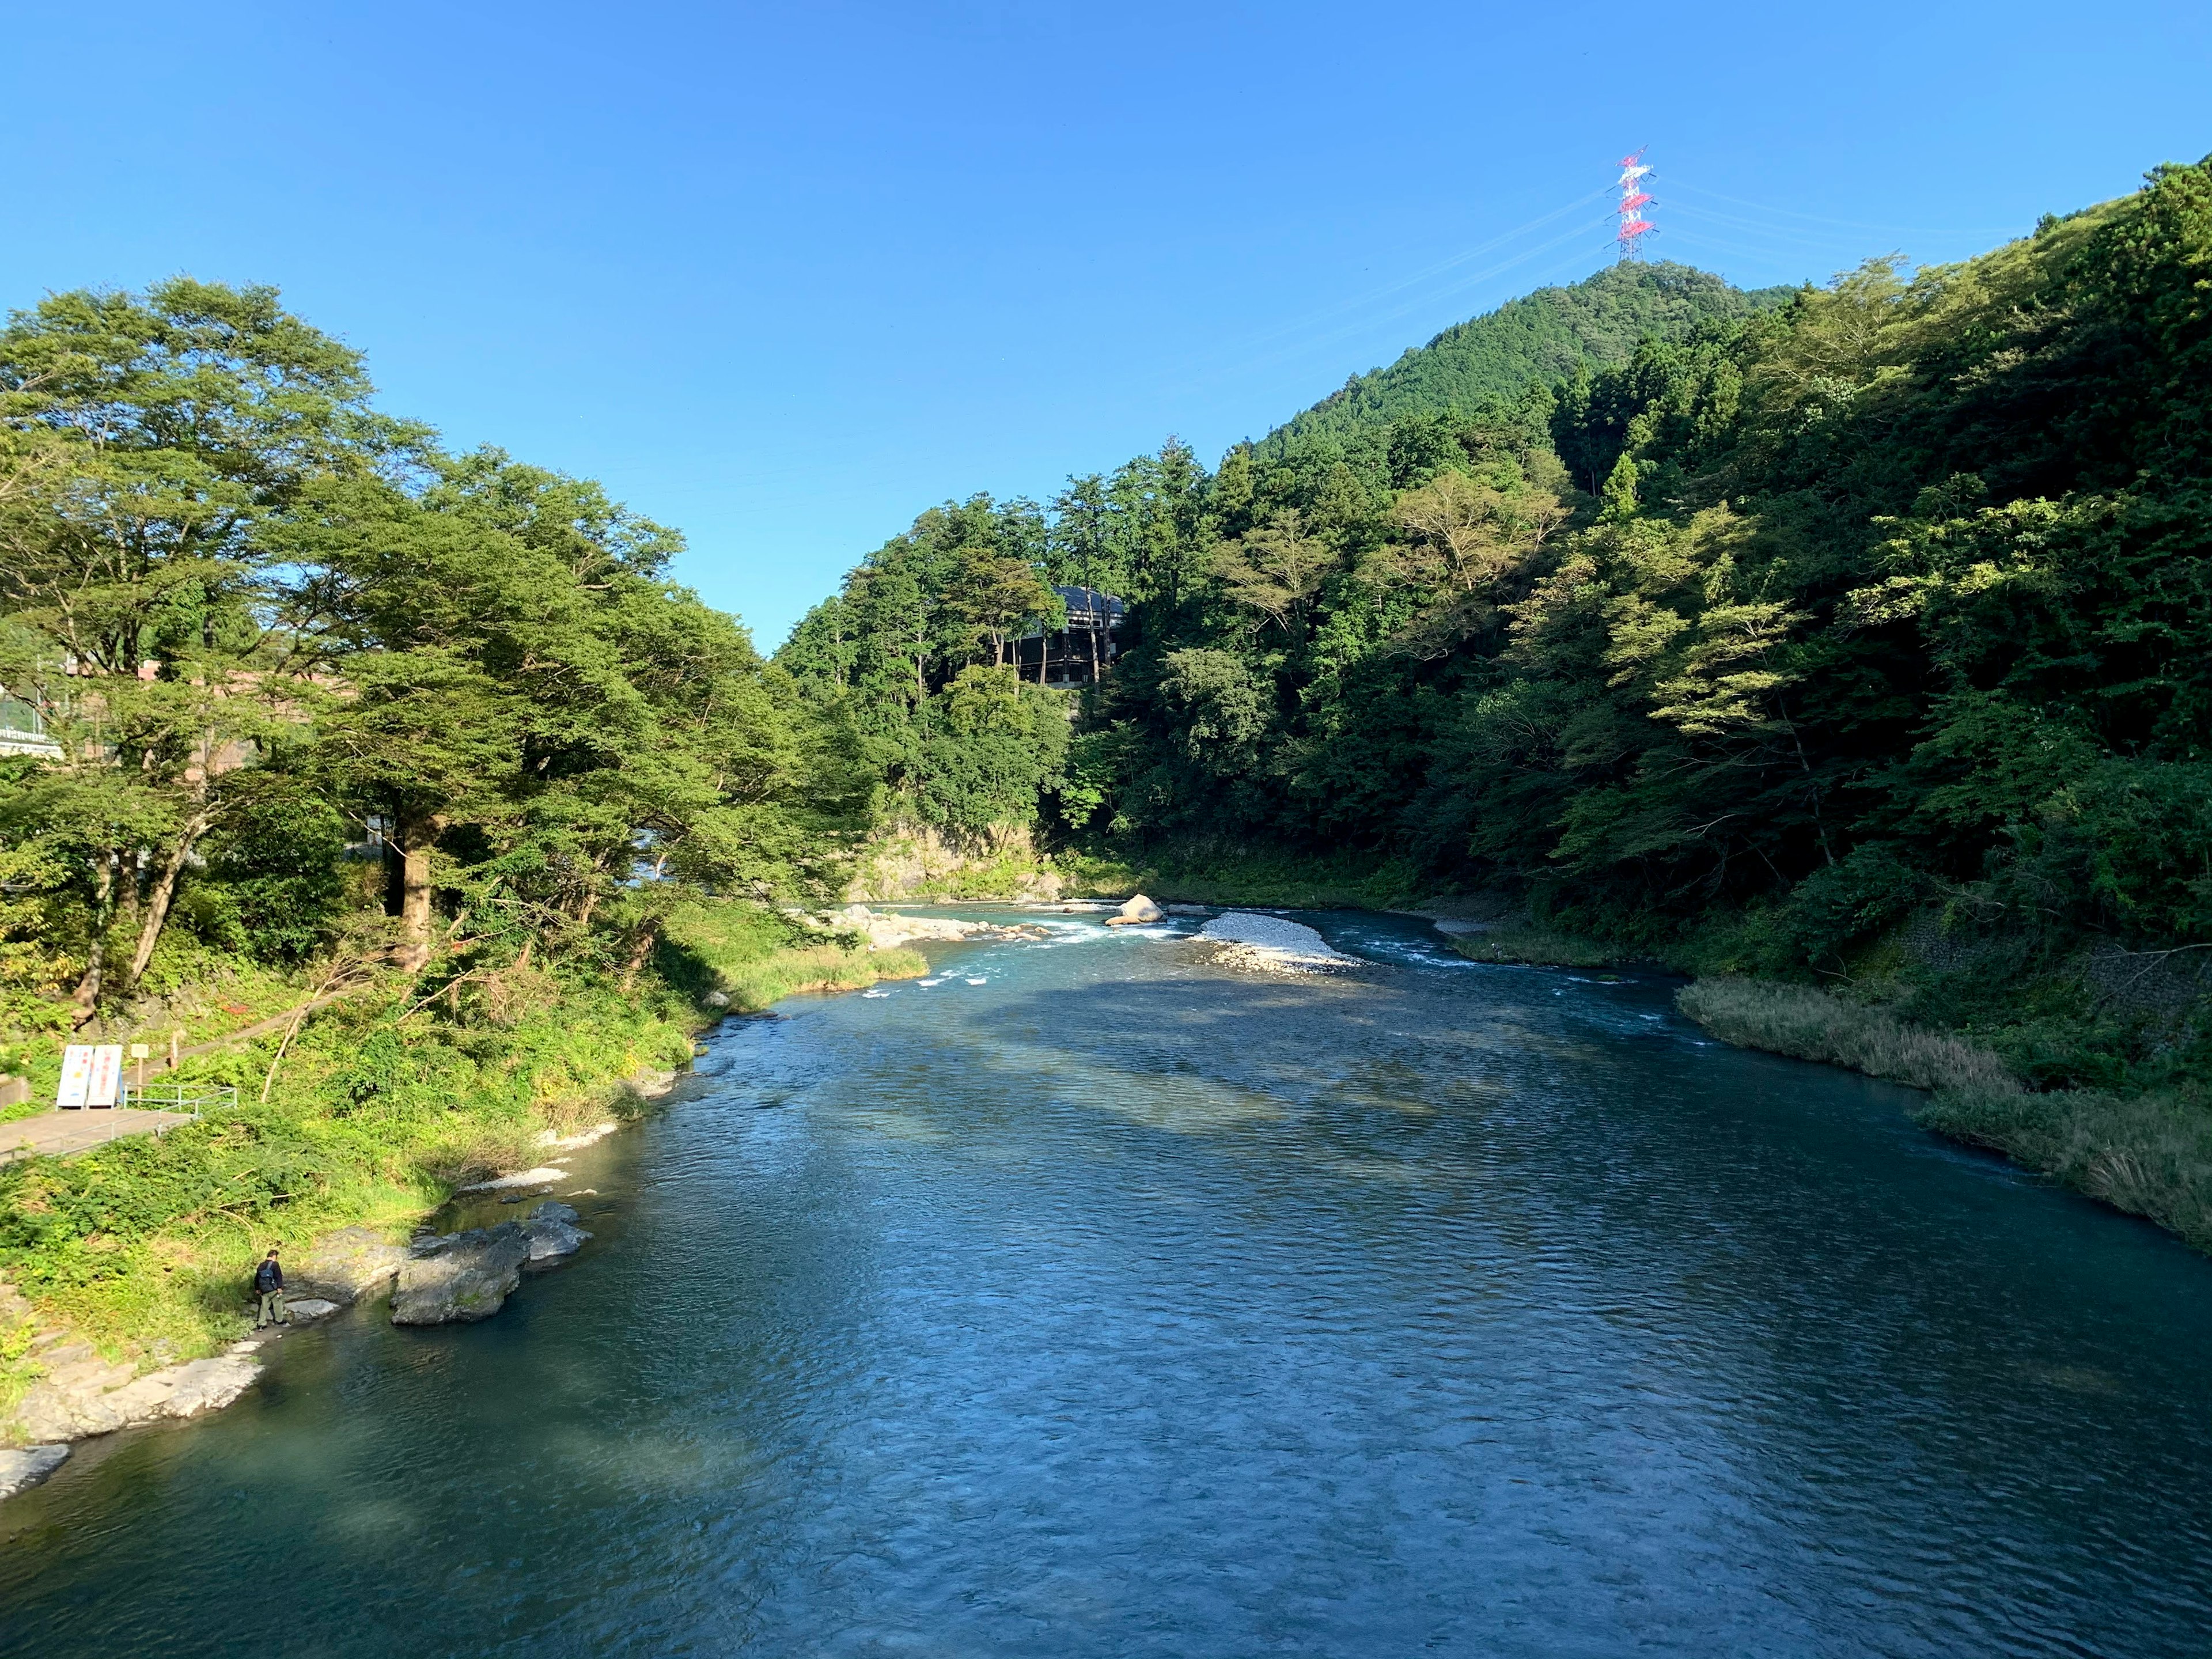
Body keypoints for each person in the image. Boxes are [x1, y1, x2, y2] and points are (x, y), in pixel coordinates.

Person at [253, 1246, 287, 1328]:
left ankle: (261, 1324)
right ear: (274, 1256)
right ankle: (279, 1320)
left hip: (264, 1289)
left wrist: (257, 1288)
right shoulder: (275, 1265)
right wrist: (279, 1287)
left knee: (264, 1307)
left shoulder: (261, 1265)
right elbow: (278, 1276)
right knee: (277, 1304)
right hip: (273, 1289)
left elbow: (257, 1277)